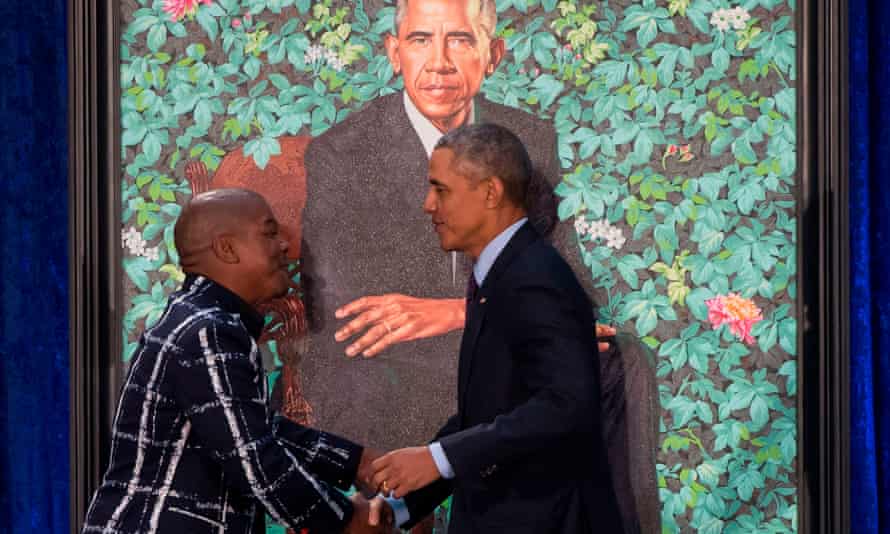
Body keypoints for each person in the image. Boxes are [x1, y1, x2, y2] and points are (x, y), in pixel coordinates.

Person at [300, 0, 615, 451]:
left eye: (461, 40)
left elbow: (567, 279)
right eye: (421, 40)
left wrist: (457, 313)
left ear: (494, 55)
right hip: (385, 366)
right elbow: (353, 315)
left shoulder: (528, 138)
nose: (440, 63)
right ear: (394, 52)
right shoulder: (342, 154)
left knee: (622, 363)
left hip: (495, 344)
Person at [81, 189, 392, 534]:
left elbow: (251, 428)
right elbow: (255, 461)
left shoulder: (200, 320)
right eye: (269, 233)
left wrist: (357, 463)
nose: (285, 246)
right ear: (226, 249)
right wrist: (346, 522)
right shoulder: (206, 331)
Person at [367, 123, 624, 533]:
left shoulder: (534, 277)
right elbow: (489, 414)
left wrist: (437, 457)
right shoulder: (500, 275)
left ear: (490, 192)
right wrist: (402, 502)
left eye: (441, 189)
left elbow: (567, 407)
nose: (427, 205)